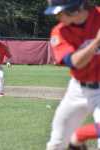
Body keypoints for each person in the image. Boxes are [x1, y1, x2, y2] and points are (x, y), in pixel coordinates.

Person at [44, 0, 100, 149]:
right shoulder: (59, 31)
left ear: (75, 9)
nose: (57, 17)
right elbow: (75, 62)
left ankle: (78, 137)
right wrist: (97, 42)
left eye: (59, 12)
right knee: (56, 143)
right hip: (77, 90)